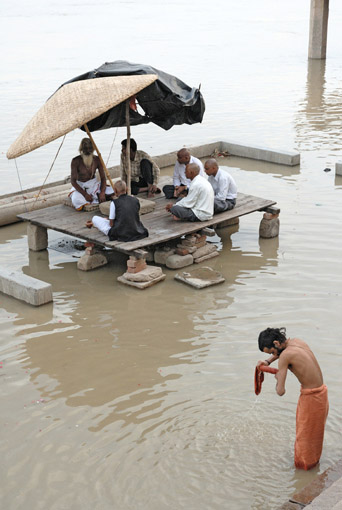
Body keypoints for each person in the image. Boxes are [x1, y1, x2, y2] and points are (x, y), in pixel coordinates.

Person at [257, 327, 329, 470]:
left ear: (276, 343)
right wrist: (268, 361)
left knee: (305, 440)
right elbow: (282, 353)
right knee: (313, 435)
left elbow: (281, 391)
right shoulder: (297, 342)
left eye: (271, 352)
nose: (273, 355)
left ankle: (304, 473)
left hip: (311, 398)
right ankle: (313, 469)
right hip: (322, 393)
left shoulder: (285, 357)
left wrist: (277, 377)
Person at [70, 138, 113, 210]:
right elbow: (73, 181)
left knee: (113, 191)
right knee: (76, 200)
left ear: (93, 149)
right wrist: (85, 194)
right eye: (85, 148)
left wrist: (102, 192)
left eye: (90, 148)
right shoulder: (76, 161)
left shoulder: (97, 159)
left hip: (94, 185)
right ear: (81, 149)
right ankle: (96, 199)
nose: (87, 151)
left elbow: (103, 177)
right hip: (81, 187)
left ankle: (98, 197)